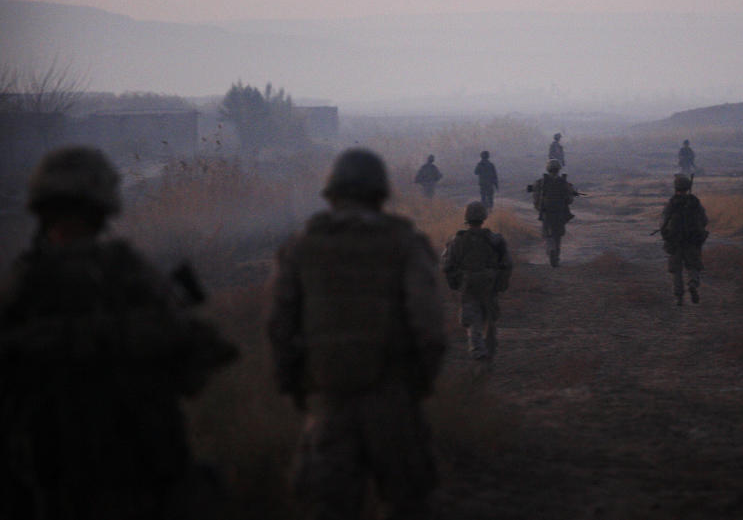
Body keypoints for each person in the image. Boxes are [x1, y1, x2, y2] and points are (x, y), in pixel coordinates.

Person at [0, 146, 238, 520]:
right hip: (123, 480)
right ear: (103, 209)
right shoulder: (123, 271)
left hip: (65, 484)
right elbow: (196, 360)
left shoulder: (23, 285)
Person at [268, 148, 446, 520]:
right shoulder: (404, 243)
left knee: (328, 507)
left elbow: (280, 327)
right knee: (408, 504)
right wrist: (417, 385)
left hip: (329, 400)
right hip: (392, 397)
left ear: (331, 193)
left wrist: (296, 386)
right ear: (380, 192)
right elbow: (429, 326)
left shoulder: (302, 245)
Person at [441, 202, 512, 368]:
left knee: (473, 321)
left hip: (468, 286)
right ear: (484, 218)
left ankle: (479, 354)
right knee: (489, 318)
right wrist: (501, 283)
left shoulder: (456, 240)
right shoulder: (495, 240)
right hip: (489, 285)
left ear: (467, 218)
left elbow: (447, 265)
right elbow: (507, 264)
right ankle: (487, 353)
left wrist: (455, 283)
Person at [659, 173, 708, 305]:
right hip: (692, 241)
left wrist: (666, 235)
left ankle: (679, 297)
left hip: (675, 242)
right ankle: (693, 283)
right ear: (688, 187)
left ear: (676, 187)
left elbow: (663, 222)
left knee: (677, 270)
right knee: (694, 266)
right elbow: (704, 220)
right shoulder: (695, 202)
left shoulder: (672, 202)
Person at [530, 159, 577, 267]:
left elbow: (536, 198)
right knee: (558, 235)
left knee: (547, 234)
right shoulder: (563, 182)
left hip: (547, 211)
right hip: (560, 212)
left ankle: (551, 249)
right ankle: (556, 255)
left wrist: (539, 208)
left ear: (548, 169)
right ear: (558, 169)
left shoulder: (541, 182)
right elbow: (570, 199)